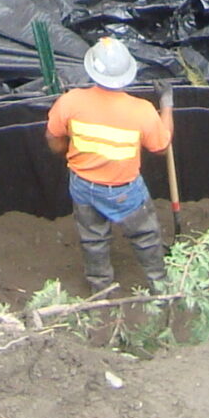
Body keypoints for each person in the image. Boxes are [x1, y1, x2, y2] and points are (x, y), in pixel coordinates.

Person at [45, 37, 171, 293]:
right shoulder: (142, 110)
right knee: (145, 236)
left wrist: (71, 152)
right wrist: (167, 105)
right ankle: (161, 287)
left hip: (82, 185)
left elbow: (52, 139)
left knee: (93, 239)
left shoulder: (70, 101)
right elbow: (161, 147)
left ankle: (101, 289)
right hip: (124, 190)